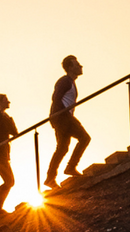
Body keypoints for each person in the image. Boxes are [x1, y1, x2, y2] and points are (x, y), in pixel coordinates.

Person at [44, 55, 91, 189]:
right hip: (62, 117)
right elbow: (56, 98)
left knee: (62, 148)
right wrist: (58, 116)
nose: (80, 66)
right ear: (70, 67)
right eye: (77, 64)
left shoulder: (70, 81)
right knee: (84, 138)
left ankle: (50, 178)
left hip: (62, 117)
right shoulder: (65, 81)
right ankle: (70, 167)